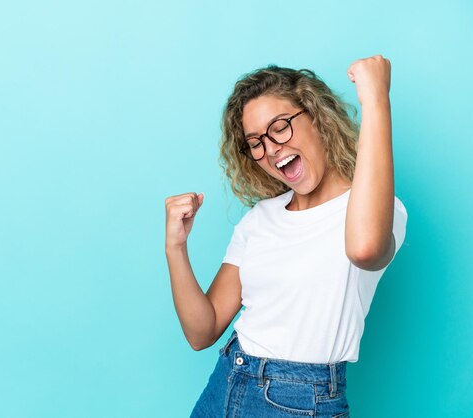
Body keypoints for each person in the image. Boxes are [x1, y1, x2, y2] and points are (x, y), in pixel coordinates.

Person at [164, 55, 407, 417]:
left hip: (298, 402)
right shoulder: (259, 219)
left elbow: (365, 249)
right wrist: (176, 247)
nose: (270, 148)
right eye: (255, 142)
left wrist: (375, 99)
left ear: (318, 118)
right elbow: (203, 331)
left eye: (279, 127)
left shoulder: (375, 210)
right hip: (225, 384)